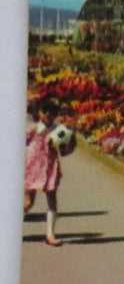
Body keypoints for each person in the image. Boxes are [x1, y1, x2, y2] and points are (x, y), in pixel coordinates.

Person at [24, 99, 63, 246]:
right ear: (38, 112)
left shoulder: (57, 130)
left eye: (51, 113)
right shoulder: (33, 128)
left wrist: (62, 145)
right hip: (34, 165)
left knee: (52, 198)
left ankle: (50, 234)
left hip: (50, 166)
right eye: (44, 112)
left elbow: (64, 148)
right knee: (29, 200)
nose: (47, 115)